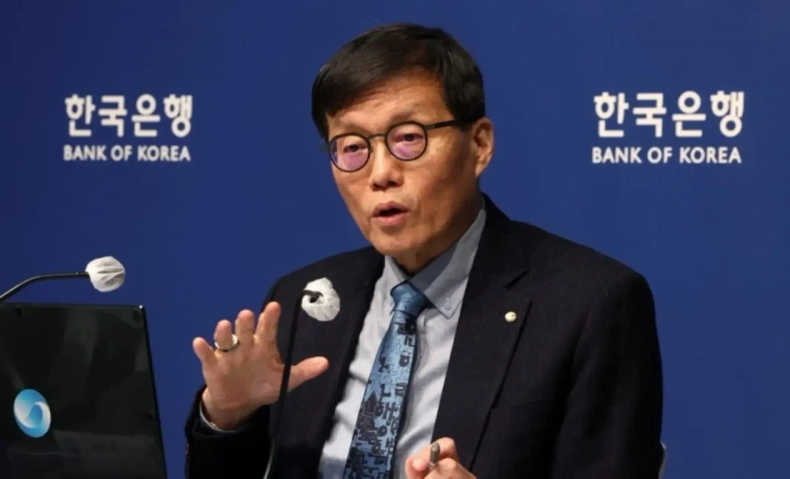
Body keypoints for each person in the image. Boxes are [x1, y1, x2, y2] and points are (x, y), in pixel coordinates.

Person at [183, 23, 664, 479]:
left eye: (408, 138)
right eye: (352, 147)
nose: (380, 174)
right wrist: (228, 416)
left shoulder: (589, 306)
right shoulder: (303, 301)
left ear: (479, 144)